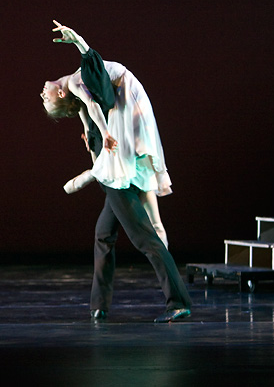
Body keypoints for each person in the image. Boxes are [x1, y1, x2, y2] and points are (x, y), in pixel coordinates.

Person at [41, 20, 192, 322]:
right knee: (104, 234)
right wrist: (94, 134)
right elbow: (88, 109)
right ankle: (99, 305)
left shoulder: (80, 81)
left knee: (143, 236)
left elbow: (95, 98)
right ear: (61, 95)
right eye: (46, 99)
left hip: (126, 116)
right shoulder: (75, 85)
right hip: (123, 124)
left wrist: (80, 42)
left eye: (44, 98)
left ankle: (177, 302)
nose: (42, 94)